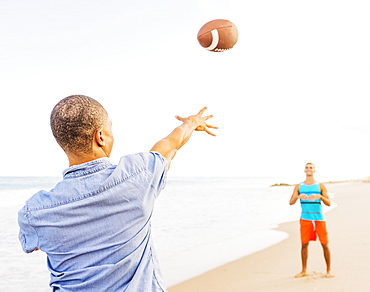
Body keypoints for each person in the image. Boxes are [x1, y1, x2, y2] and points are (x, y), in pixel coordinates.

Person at [18, 95, 217, 291]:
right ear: (100, 136)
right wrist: (191, 123)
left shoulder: (35, 212)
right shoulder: (139, 174)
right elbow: (171, 144)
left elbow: (28, 240)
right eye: (110, 128)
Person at [289, 162, 334, 278]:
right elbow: (291, 202)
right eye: (307, 168)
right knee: (304, 244)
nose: (309, 169)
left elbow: (328, 203)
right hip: (305, 218)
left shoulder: (320, 186)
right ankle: (304, 270)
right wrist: (298, 196)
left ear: (314, 170)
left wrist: (320, 196)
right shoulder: (299, 186)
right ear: (304, 170)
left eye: (311, 168)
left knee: (325, 244)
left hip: (319, 218)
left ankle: (329, 270)